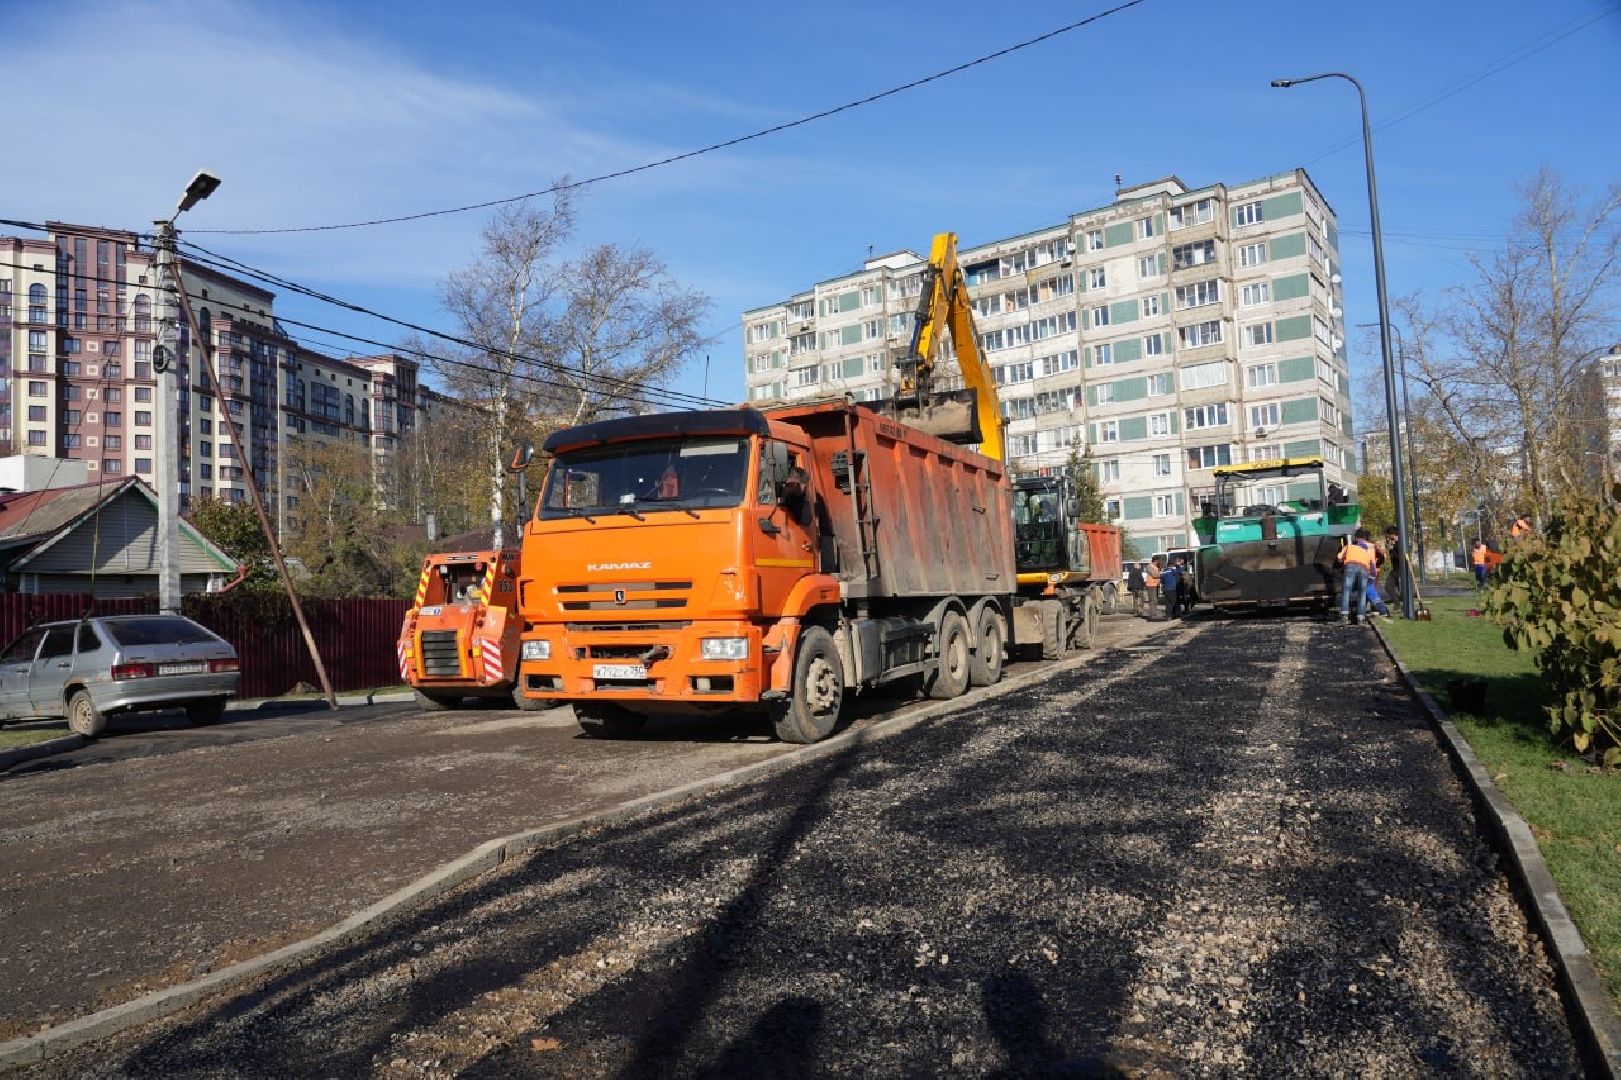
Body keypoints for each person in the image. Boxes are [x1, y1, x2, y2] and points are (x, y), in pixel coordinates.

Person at [1336, 528, 1378, 625]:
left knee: (1347, 591)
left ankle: (1344, 617)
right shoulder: (1366, 551)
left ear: (1355, 538)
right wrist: (1371, 577)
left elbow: (1339, 558)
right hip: (1364, 569)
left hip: (1350, 566)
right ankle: (1361, 618)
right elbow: (1371, 566)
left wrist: (1342, 559)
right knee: (1362, 593)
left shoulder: (1348, 547)